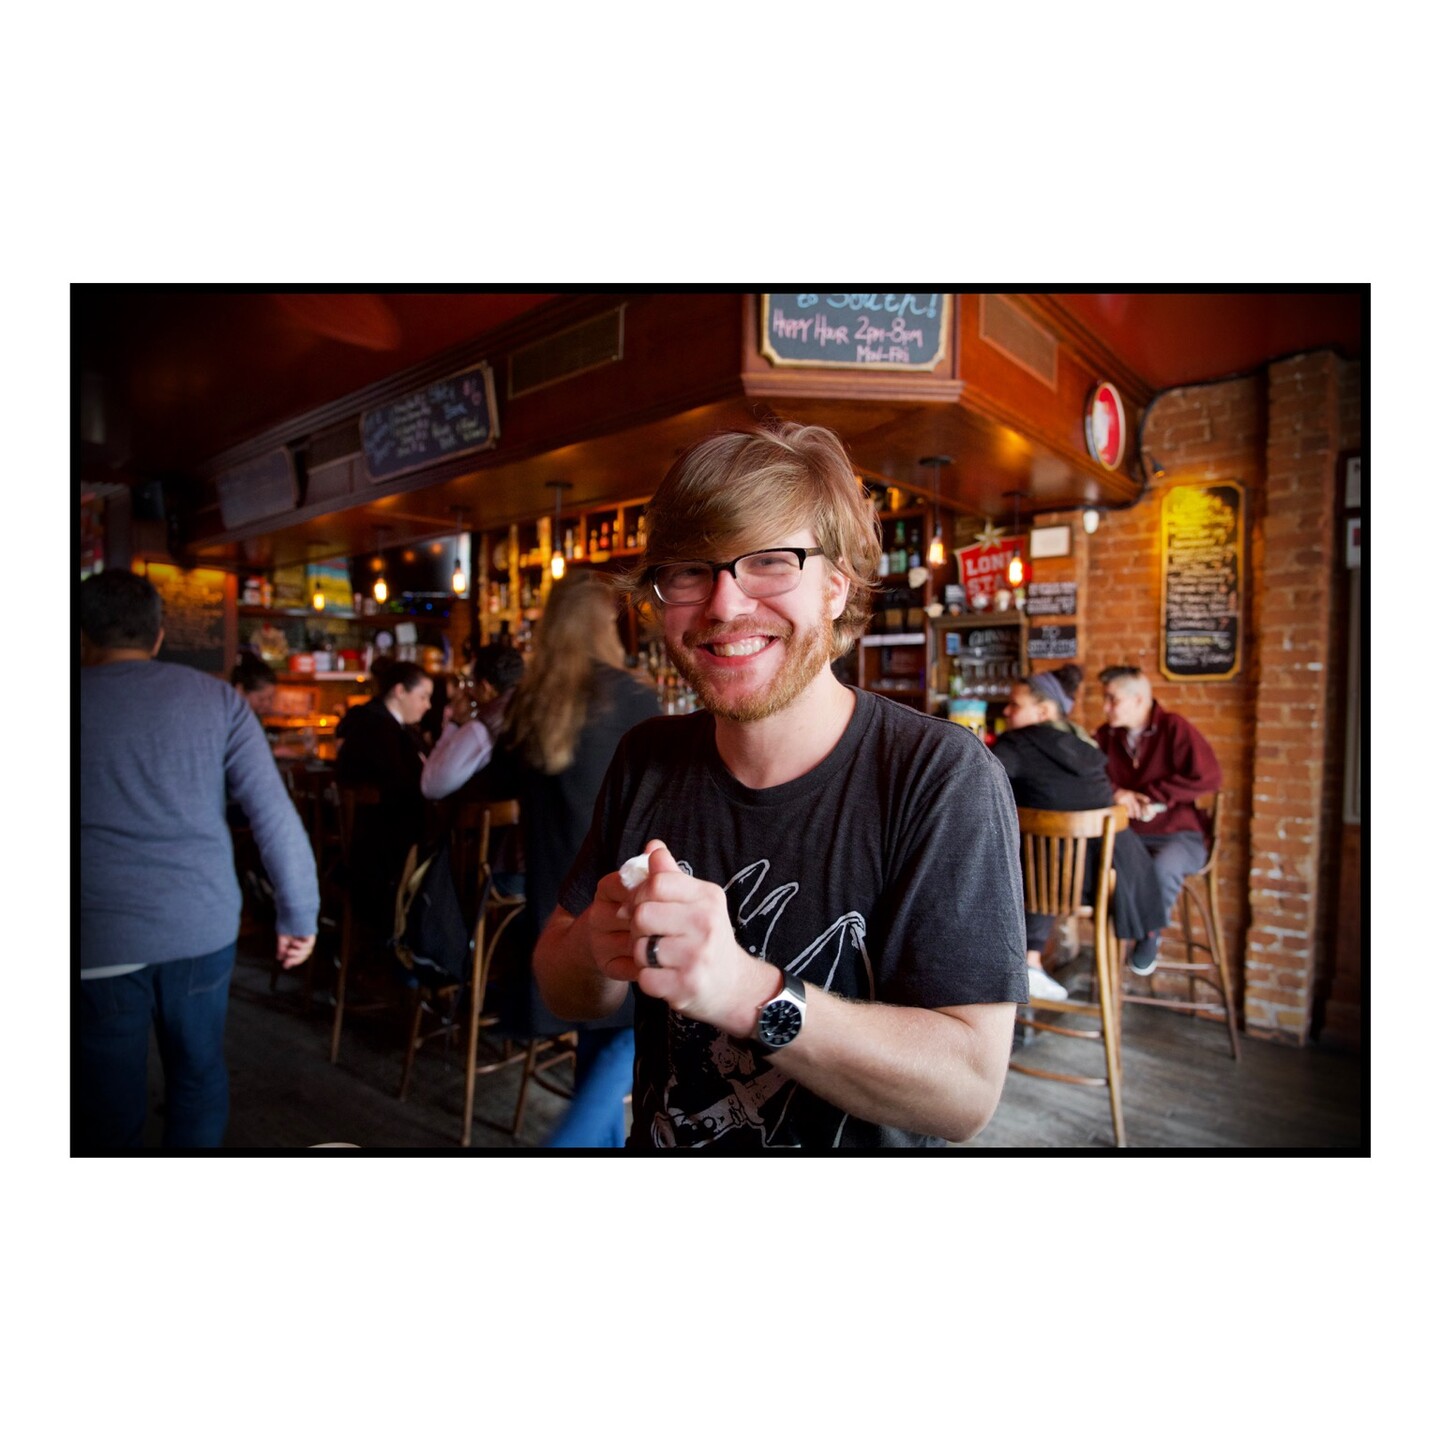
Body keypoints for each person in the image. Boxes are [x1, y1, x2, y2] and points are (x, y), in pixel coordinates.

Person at [532, 422, 1027, 1150]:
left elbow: (965, 1093)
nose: (725, 605)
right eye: (691, 570)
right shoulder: (648, 756)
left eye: (769, 561)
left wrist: (746, 993)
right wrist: (599, 945)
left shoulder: (939, 776)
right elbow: (561, 983)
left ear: (835, 586)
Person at [79, 570, 318, 1149]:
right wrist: (300, 914)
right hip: (201, 926)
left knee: (107, 1102)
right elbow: (273, 813)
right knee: (198, 1073)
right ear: (160, 635)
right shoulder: (218, 701)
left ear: (82, 635)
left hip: (97, 935)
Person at [489, 571, 660, 1148]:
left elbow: (491, 782)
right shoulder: (633, 696)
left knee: (601, 1032)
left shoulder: (531, 703)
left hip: (551, 900)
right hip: (620, 893)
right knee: (626, 1035)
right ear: (605, 624)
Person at [991, 665, 1167, 1000]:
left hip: (1045, 885)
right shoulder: (1082, 742)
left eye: (1014, 705)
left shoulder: (1015, 745)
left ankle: (1023, 962)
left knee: (1014, 851)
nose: (1007, 711)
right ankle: (1033, 962)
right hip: (1110, 881)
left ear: (1042, 710)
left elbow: (977, 786)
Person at [1094, 665, 1222, 975]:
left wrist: (1153, 795)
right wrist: (1118, 792)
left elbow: (1210, 777)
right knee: (1100, 862)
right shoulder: (1105, 735)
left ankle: (1149, 936)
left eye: (1112, 699)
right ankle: (1112, 944)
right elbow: (1090, 776)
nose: (1105, 707)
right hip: (1130, 833)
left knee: (1162, 866)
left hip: (1179, 834)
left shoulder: (1174, 728)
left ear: (1138, 700)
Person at [335, 658, 433, 928]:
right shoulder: (385, 731)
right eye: (423, 696)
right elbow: (414, 783)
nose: (428, 705)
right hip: (382, 852)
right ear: (400, 691)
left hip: (370, 844)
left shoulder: (365, 720)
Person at [421, 642, 527, 801]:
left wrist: (454, 724)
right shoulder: (530, 714)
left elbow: (431, 787)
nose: (468, 691)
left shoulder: (482, 728)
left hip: (484, 822)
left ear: (485, 688)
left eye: (471, 683)